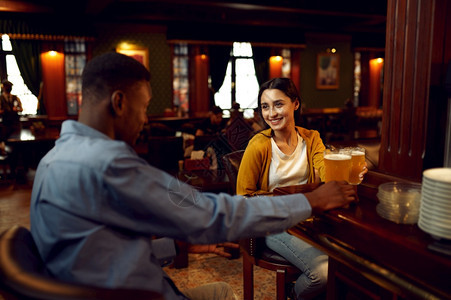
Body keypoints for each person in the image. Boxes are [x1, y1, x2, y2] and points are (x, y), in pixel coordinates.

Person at [30, 53, 357, 300]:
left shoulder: (54, 159)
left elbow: (97, 252)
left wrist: (179, 246)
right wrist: (311, 200)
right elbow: (214, 214)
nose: (145, 119)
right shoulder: (107, 162)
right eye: (144, 108)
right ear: (119, 103)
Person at [236, 77, 367, 299]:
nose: (271, 113)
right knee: (324, 273)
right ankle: (294, 294)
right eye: (265, 107)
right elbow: (243, 199)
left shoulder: (312, 138)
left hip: (312, 221)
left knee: (355, 264)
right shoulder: (258, 145)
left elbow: (327, 173)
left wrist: (349, 177)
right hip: (274, 224)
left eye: (279, 104)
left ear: (295, 103)